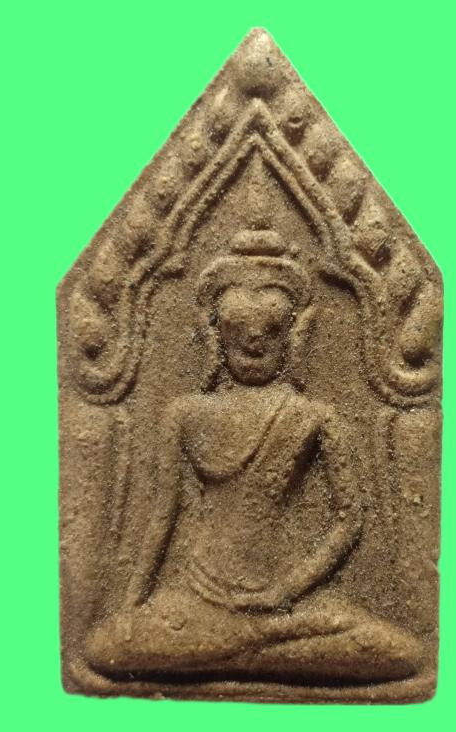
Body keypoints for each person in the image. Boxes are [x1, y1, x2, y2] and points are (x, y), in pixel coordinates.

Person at [87, 230, 420, 683]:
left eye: (271, 330)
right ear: (214, 333)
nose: (255, 342)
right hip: (198, 597)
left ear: (294, 335)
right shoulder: (185, 414)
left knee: (401, 652)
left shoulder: (313, 416)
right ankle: (254, 648)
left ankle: (236, 648)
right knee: (104, 648)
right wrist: (132, 605)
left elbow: (349, 518)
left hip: (287, 604)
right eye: (238, 331)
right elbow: (163, 518)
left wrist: (287, 590)